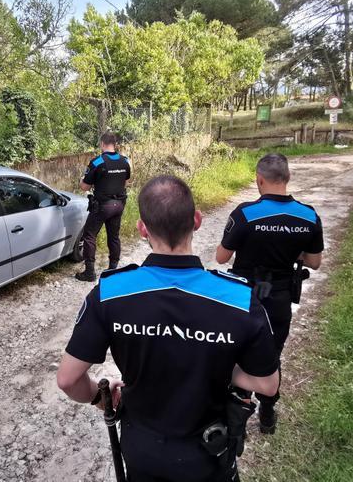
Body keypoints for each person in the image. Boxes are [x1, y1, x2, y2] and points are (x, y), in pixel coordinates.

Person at [58, 175, 280, 481]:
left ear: (142, 229)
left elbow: (68, 379)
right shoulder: (240, 299)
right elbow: (268, 385)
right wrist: (215, 359)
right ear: (197, 221)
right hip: (207, 452)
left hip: (141, 450)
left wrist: (100, 398)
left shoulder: (110, 293)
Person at [215, 153, 323, 435]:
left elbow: (221, 258)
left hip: (244, 295)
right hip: (279, 296)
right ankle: (267, 411)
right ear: (287, 179)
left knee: (236, 352)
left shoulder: (244, 214)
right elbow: (314, 262)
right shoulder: (309, 216)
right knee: (270, 353)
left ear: (259, 179)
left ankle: (236, 414)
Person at [75, 131, 131, 282]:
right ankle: (113, 269)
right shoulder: (125, 161)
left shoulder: (97, 162)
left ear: (102, 144)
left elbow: (85, 187)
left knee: (89, 235)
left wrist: (82, 179)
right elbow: (126, 182)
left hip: (102, 206)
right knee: (114, 236)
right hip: (119, 204)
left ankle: (89, 272)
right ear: (115, 144)